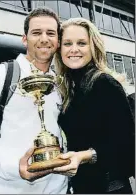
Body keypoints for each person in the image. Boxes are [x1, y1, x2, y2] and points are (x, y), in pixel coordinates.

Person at [0, 7, 68, 194]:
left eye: (50, 33)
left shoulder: (60, 83)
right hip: (10, 188)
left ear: (58, 42)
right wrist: (15, 167)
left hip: (57, 189)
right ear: (24, 39)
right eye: (36, 33)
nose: (44, 39)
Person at [53, 18, 135, 194]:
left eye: (81, 43)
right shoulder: (69, 88)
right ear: (59, 49)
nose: (74, 49)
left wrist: (83, 156)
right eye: (67, 43)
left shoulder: (104, 84)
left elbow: (126, 143)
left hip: (109, 187)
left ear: (93, 47)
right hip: (83, 185)